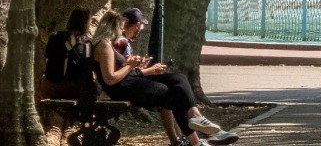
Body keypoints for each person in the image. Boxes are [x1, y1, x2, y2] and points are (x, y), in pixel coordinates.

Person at [91, 10, 237, 145]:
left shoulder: (109, 45)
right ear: (113, 27)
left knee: (179, 79)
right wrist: (129, 66)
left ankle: (196, 117)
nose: (122, 32)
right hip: (121, 88)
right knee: (172, 94)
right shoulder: (104, 47)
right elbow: (110, 79)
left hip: (131, 80)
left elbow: (122, 72)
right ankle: (199, 139)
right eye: (120, 28)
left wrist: (137, 67)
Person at [41, 8, 96, 100]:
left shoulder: (55, 37)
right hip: (71, 88)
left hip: (50, 86)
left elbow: (48, 57)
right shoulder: (87, 43)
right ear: (86, 23)